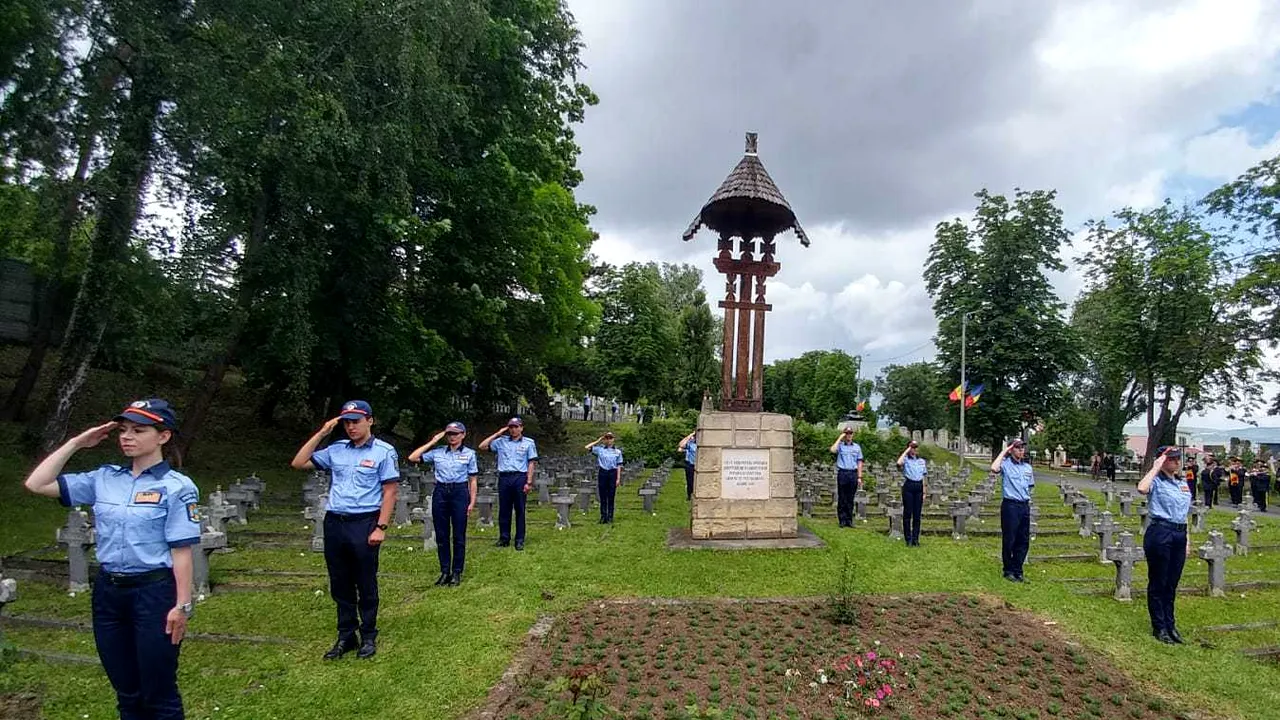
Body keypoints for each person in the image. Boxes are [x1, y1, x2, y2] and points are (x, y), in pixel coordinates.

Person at [23, 399, 198, 718]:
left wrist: (182, 605)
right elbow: (37, 483)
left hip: (154, 594)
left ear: (163, 436)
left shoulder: (177, 487)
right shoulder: (103, 479)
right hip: (109, 595)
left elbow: (181, 549)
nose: (126, 436)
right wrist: (76, 443)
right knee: (127, 692)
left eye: (138, 430)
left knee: (158, 692)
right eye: (123, 430)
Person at [290, 400, 399, 660]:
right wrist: (321, 433)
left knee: (365, 581)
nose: (351, 427)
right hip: (336, 522)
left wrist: (381, 527)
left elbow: (390, 491)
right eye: (347, 422)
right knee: (340, 582)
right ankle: (346, 635)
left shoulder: (384, 451)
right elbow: (298, 462)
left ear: (370, 421)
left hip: (364, 522)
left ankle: (369, 635)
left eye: (356, 421)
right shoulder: (336, 450)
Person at [408, 422, 477, 586]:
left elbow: (473, 480)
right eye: (449, 434)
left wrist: (472, 501)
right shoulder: (437, 453)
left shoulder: (469, 454)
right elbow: (413, 457)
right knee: (441, 534)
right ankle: (445, 571)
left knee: (459, 535)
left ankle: (457, 572)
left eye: (456, 433)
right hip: (441, 492)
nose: (452, 437)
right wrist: (433, 441)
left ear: (463, 435)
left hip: (459, 492)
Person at [1138, 447, 1192, 644]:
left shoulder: (1182, 483)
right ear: (1162, 461)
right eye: (1172, 459)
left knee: (1171, 583)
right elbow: (1142, 488)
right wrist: (1155, 467)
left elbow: (1184, 512)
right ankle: (1159, 626)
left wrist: (1188, 540)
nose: (1177, 462)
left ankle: (1171, 625)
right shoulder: (1156, 481)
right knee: (1159, 581)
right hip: (1160, 532)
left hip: (1179, 533)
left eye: (1178, 458)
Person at [479, 418, 538, 550]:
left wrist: (528, 482)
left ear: (521, 428)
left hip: (519, 477)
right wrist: (498, 433)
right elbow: (482, 446)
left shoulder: (529, 443)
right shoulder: (501, 442)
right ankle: (504, 538)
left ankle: (519, 539)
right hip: (505, 477)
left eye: (516, 427)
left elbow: (531, 463)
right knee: (504, 510)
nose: (513, 429)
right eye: (511, 427)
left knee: (520, 509)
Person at [991, 438, 1034, 582]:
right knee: (1010, 539)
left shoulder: (1027, 468)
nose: (1021, 450)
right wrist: (1004, 451)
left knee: (1023, 540)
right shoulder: (1006, 465)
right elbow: (994, 468)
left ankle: (1018, 570)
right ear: (1012, 449)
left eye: (1022, 447)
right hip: (1010, 505)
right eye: (1018, 447)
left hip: (1024, 505)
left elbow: (1030, 487)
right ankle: (1008, 570)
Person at [829, 427, 864, 528]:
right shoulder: (840, 446)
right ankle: (842, 520)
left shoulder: (857, 447)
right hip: (843, 473)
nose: (849, 435)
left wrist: (859, 476)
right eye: (847, 433)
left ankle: (849, 520)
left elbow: (859, 462)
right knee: (842, 497)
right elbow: (832, 450)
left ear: (853, 434)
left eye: (850, 433)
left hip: (853, 473)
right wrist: (840, 437)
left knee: (850, 498)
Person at [585, 432, 624, 523]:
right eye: (607, 438)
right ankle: (603, 517)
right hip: (603, 472)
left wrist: (618, 478)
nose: (609, 440)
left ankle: (610, 517)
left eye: (610, 438)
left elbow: (619, 465)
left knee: (611, 496)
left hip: (612, 473)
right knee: (602, 496)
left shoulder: (617, 452)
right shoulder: (600, 449)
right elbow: (587, 447)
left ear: (613, 439)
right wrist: (598, 440)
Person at [896, 441, 926, 546]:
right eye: (913, 447)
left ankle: (915, 539)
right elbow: (899, 463)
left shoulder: (922, 461)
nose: (915, 449)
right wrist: (907, 450)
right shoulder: (906, 460)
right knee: (908, 513)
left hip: (919, 487)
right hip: (909, 486)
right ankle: (908, 539)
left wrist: (924, 491)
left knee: (917, 515)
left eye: (916, 447)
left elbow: (923, 477)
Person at [679, 431, 697, 501]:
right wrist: (690, 435)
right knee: (690, 482)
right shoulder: (691, 444)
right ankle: (690, 495)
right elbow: (681, 445)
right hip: (691, 465)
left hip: (700, 465)